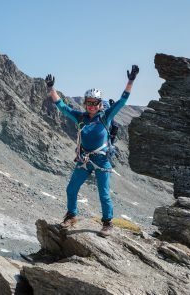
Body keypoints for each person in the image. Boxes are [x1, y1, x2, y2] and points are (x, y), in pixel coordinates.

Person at [45, 65, 139, 237]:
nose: (91, 106)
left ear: (100, 104)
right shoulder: (80, 117)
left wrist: (130, 81)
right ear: (85, 103)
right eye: (88, 103)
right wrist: (52, 88)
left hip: (102, 160)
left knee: (103, 193)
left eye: (95, 103)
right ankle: (71, 216)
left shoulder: (105, 116)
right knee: (71, 189)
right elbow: (61, 106)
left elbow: (122, 101)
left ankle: (107, 223)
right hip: (84, 160)